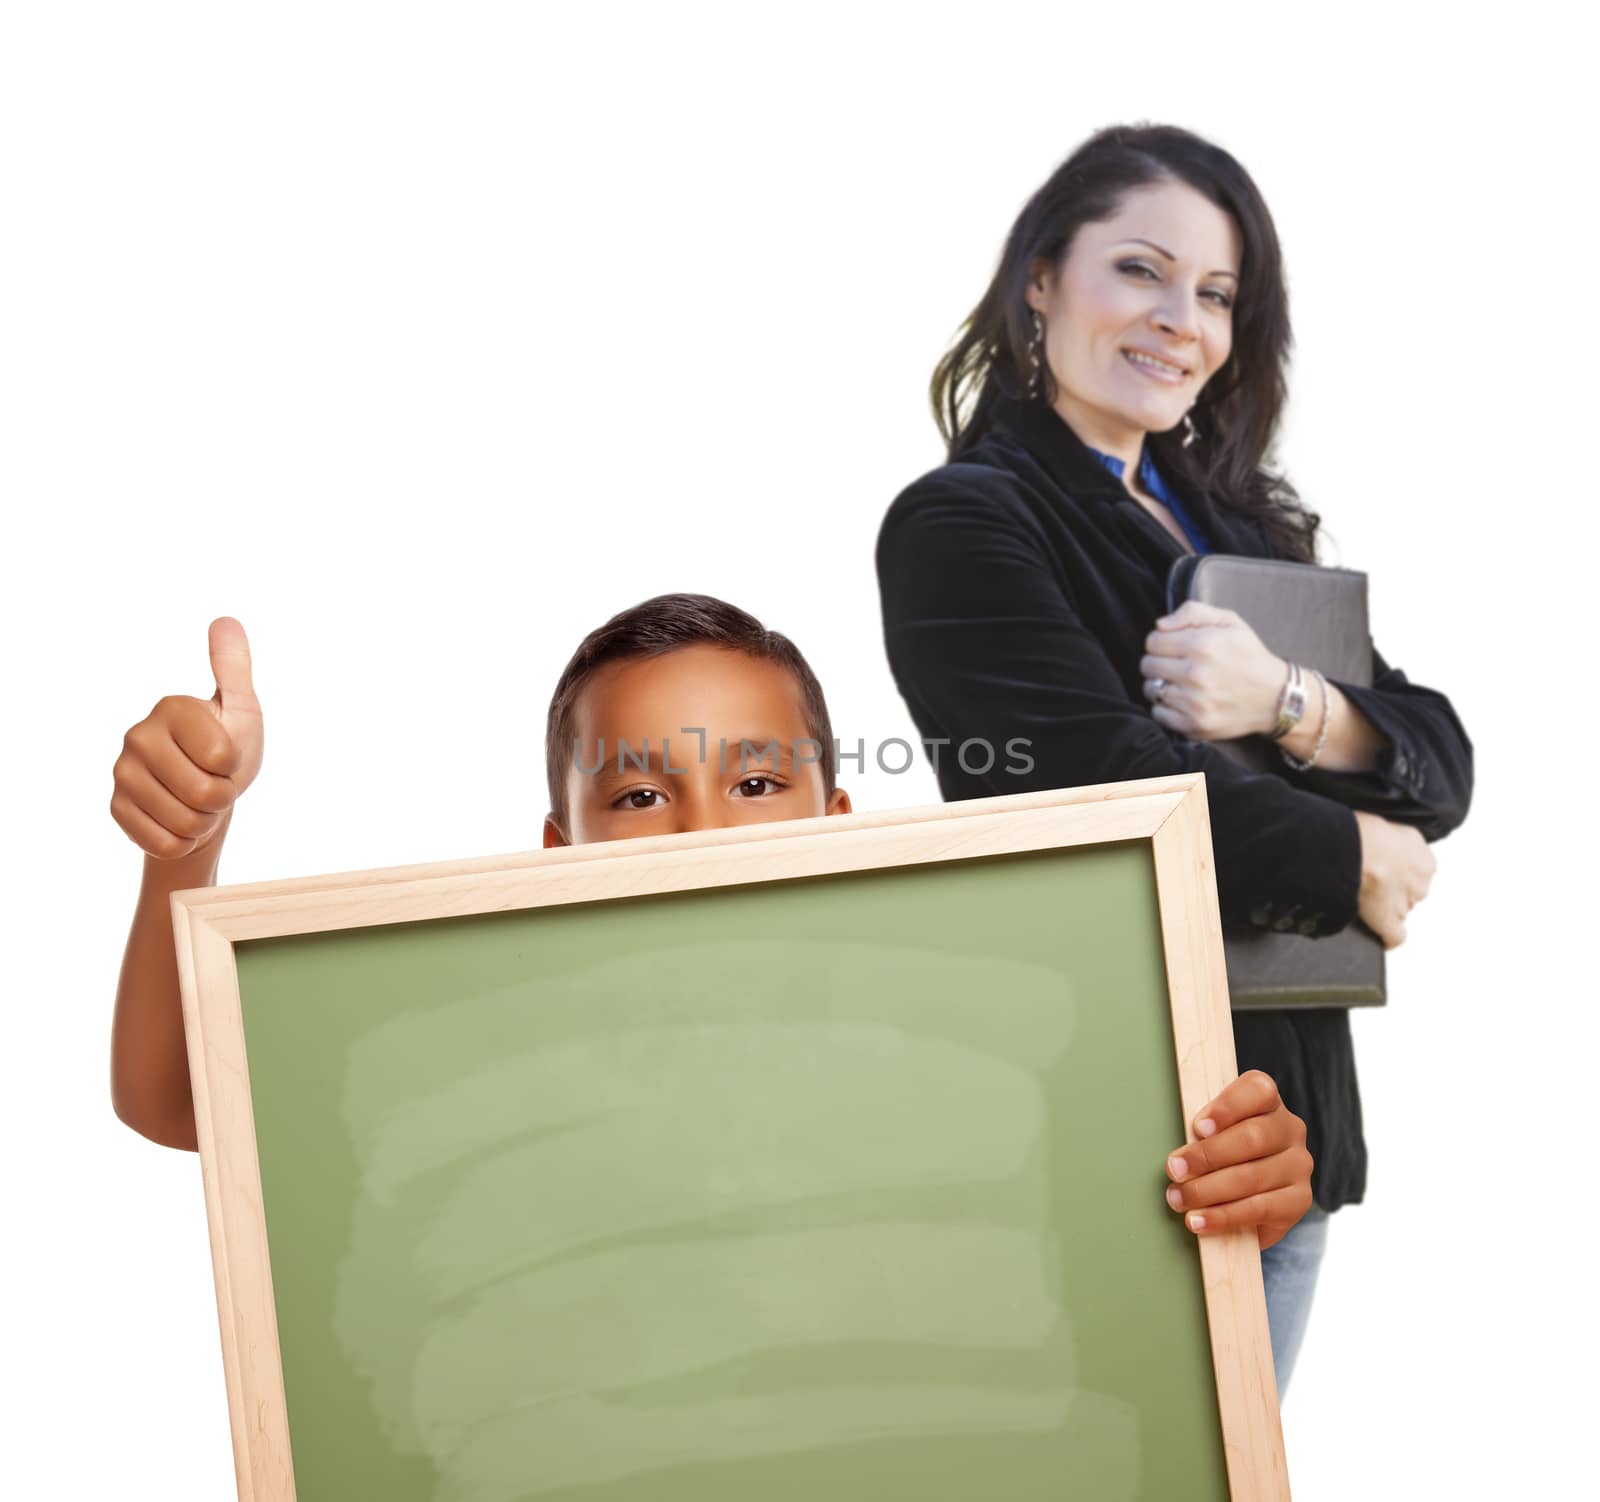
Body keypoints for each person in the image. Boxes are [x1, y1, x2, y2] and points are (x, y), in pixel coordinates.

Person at [110, 595, 1315, 1254]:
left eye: (752, 781)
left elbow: (1148, 1207)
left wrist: (1244, 1184)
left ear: (836, 819)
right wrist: (186, 843)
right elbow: (173, 1095)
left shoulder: (981, 1059)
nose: (700, 833)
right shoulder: (480, 1057)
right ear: (557, 848)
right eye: (637, 796)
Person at [876, 124, 1474, 1396]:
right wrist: (1349, 850)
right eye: (1139, 270)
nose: (1179, 321)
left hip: (1292, 1122)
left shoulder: (1241, 523)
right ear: (1040, 278)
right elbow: (1087, 787)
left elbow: (1443, 758)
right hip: (1140, 1128)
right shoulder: (965, 520)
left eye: (1215, 295)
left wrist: (1290, 698)